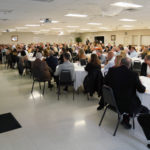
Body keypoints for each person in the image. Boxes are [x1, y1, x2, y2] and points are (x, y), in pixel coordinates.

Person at [98, 57, 149, 129]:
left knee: (126, 97)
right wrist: (140, 83)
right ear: (129, 65)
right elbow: (141, 90)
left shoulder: (112, 70)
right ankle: (129, 119)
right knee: (146, 109)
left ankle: (126, 119)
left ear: (120, 63)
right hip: (127, 105)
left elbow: (105, 82)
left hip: (112, 101)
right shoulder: (133, 74)